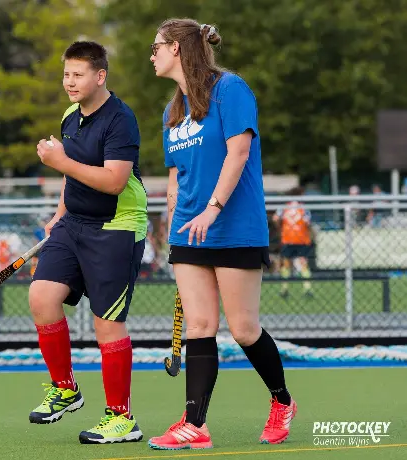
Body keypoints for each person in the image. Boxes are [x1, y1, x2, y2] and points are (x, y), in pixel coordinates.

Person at [146, 18, 297, 450]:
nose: (152, 54)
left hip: (234, 226)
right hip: (188, 232)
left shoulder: (229, 90)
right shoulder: (171, 111)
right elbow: (177, 173)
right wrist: (173, 213)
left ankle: (282, 401)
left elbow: (239, 151)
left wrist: (212, 209)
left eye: (156, 46)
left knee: (244, 329)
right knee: (199, 325)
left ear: (177, 48)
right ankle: (195, 423)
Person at [29, 40, 147, 445]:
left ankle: (122, 419)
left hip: (116, 226)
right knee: (42, 298)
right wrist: (58, 215)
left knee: (106, 324)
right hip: (74, 223)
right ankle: (65, 389)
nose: (69, 82)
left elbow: (114, 180)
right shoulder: (69, 115)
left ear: (100, 76)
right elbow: (72, 175)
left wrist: (60, 161)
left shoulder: (121, 119)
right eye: (66, 74)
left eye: (78, 74)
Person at [273, 187, 313, 298]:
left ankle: (284, 290)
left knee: (286, 264)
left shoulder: (284, 207)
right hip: (302, 239)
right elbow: (308, 222)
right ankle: (307, 289)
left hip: (287, 238)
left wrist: (281, 228)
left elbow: (276, 218)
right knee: (303, 264)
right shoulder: (303, 207)